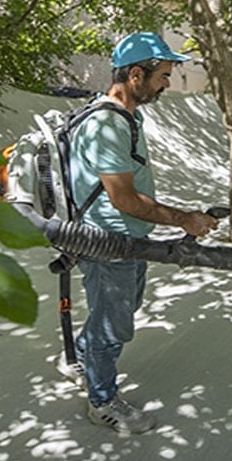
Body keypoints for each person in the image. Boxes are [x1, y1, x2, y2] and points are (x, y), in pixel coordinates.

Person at [63, 31, 218, 435]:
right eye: (163, 75)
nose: (167, 82)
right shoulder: (106, 125)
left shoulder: (129, 115)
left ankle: (83, 357)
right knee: (113, 325)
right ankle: (101, 401)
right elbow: (124, 200)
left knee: (121, 312)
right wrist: (185, 218)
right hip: (108, 240)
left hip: (131, 240)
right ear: (136, 74)